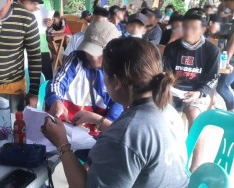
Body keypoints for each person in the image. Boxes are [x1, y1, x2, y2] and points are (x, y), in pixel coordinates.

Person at [41, 37, 189, 188]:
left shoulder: (125, 134)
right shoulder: (168, 111)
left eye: (104, 73)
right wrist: (98, 120)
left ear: (117, 82)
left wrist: (62, 144)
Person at [163, 11, 219, 171]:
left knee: (194, 114)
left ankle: (196, 164)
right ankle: (168, 160)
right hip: (174, 91)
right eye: (186, 27)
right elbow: (165, 72)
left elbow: (213, 78)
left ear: (203, 29)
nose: (188, 31)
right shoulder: (172, 48)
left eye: (194, 28)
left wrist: (198, 92)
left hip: (197, 91)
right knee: (166, 117)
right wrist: (170, 88)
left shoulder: (211, 50)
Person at [46, 21, 123, 129]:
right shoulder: (76, 59)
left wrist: (104, 125)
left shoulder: (117, 73)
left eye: (97, 53)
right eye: (88, 50)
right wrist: (55, 100)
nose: (91, 56)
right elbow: (57, 83)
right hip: (67, 125)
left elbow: (117, 109)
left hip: (99, 132)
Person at [28, 0, 53, 80]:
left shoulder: (46, 2)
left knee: (47, 80)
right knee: (30, 79)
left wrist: (49, 23)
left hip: (42, 47)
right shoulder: (22, 2)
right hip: (27, 47)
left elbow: (48, 23)